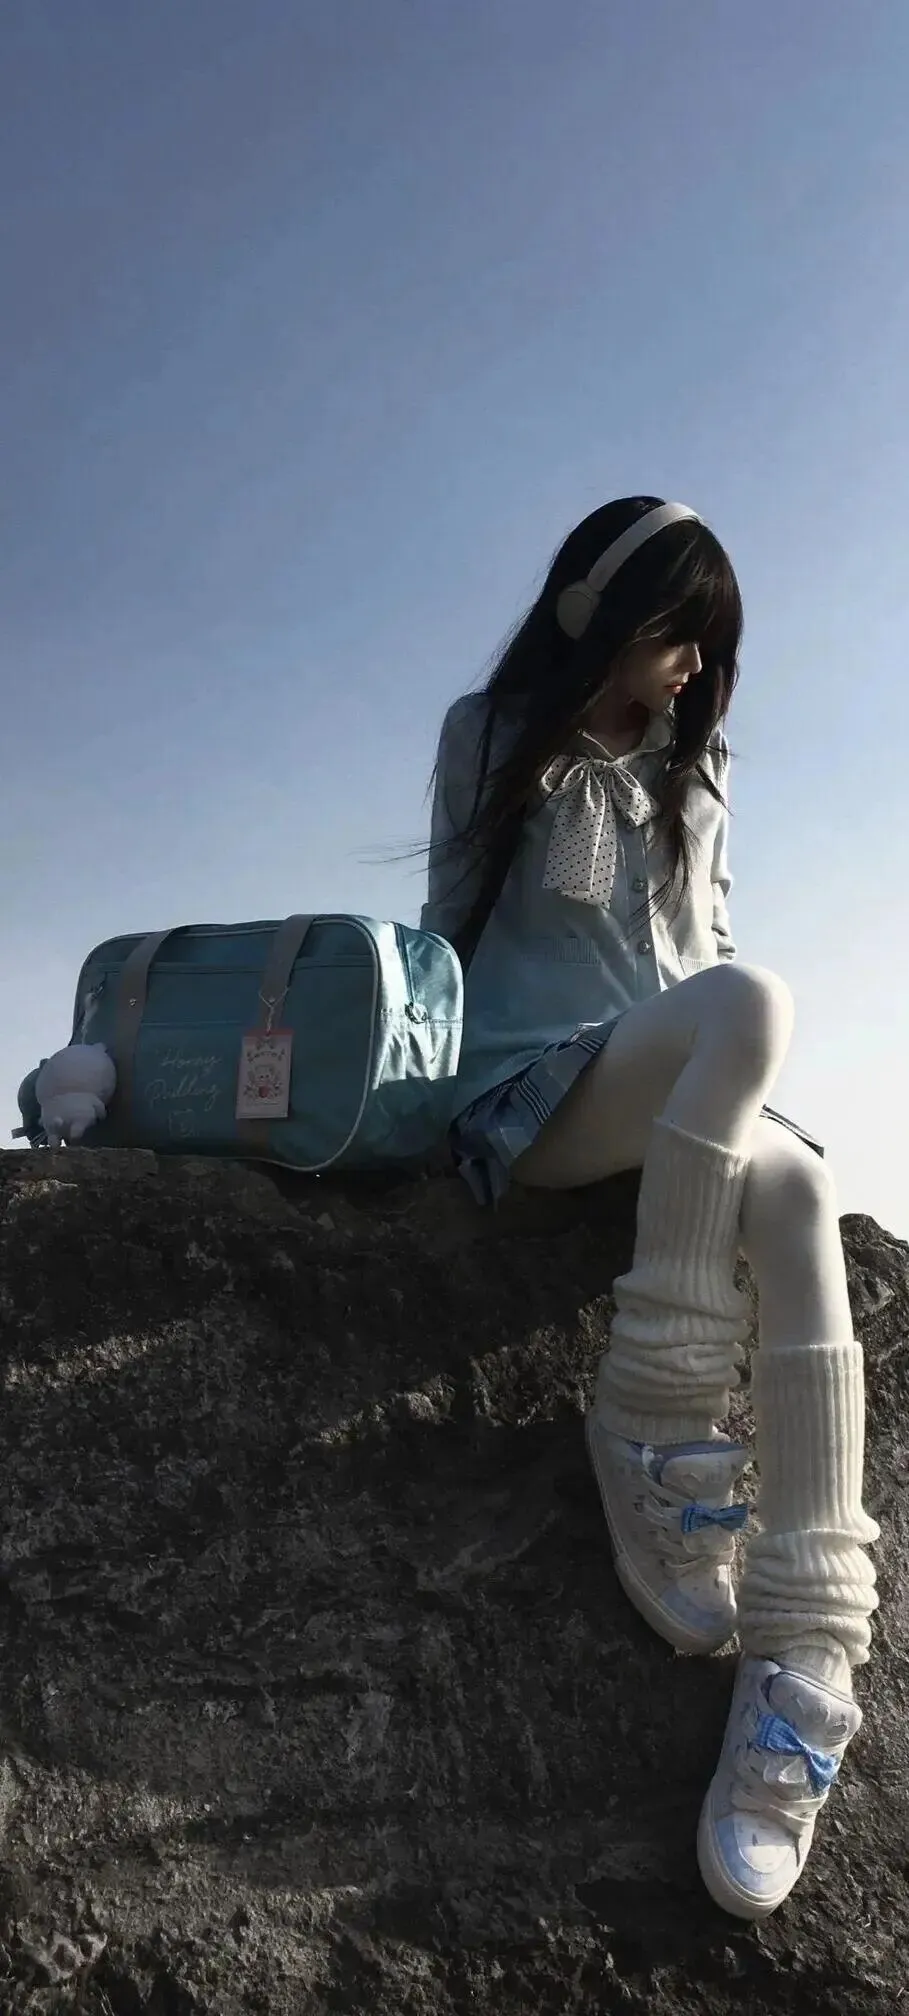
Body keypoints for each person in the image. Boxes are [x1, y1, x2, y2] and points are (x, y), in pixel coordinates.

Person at [421, 496, 878, 1921]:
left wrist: (715, 1081)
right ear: (595, 612)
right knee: (754, 1005)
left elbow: (707, 941)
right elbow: (447, 935)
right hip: (534, 1087)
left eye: (709, 648)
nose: (693, 668)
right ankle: (650, 1407)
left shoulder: (701, 767)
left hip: (675, 1087)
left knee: (802, 1188)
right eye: (681, 633)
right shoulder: (492, 735)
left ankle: (804, 1658)